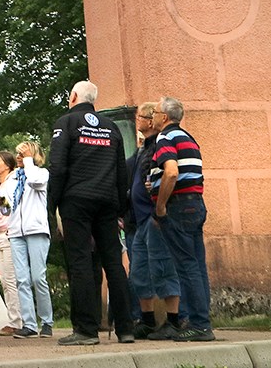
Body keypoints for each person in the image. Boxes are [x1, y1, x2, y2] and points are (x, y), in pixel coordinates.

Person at [48, 81, 133, 345]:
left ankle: (86, 329)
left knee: (80, 261)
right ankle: (126, 328)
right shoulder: (111, 127)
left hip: (77, 200)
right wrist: (120, 206)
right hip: (107, 201)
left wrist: (51, 203)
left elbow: (58, 166)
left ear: (73, 96)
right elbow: (122, 171)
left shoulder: (66, 122)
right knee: (114, 263)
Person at [148, 97, 214, 342]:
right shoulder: (188, 138)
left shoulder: (165, 138)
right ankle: (203, 321)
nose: (152, 116)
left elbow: (172, 172)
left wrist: (161, 204)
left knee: (186, 267)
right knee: (197, 266)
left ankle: (198, 324)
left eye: (154, 112)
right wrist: (154, 182)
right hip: (195, 205)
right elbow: (183, 171)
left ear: (164, 117)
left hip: (177, 207)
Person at [128, 103, 182, 341]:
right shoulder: (143, 148)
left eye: (139, 117)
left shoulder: (160, 145)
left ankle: (175, 320)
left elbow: (165, 174)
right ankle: (147, 320)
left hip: (154, 216)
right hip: (139, 219)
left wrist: (157, 205)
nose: (136, 120)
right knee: (139, 271)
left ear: (151, 121)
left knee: (163, 267)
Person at [7, 141, 53, 338]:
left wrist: (29, 161)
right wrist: (2, 197)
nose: (19, 156)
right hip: (17, 232)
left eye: (23, 153)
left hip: (36, 230)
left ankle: (47, 321)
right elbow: (5, 206)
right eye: (18, 153)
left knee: (37, 277)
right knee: (22, 280)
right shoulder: (12, 179)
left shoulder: (40, 173)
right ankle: (29, 324)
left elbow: (35, 182)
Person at [0, 151, 23, 338]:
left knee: (11, 280)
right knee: (5, 280)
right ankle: (14, 319)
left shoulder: (10, 183)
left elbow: (7, 210)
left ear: (7, 164)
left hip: (9, 234)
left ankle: (17, 321)